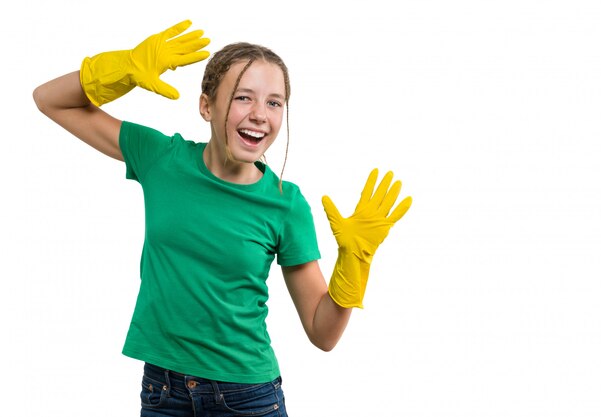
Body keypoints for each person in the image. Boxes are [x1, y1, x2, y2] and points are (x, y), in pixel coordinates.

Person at [33, 20, 412, 417]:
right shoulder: (162, 158)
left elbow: (323, 334)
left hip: (247, 398)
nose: (260, 115)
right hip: (162, 392)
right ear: (207, 106)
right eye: (243, 97)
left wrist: (355, 261)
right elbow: (50, 100)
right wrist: (124, 67)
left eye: (274, 102)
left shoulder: (286, 204)